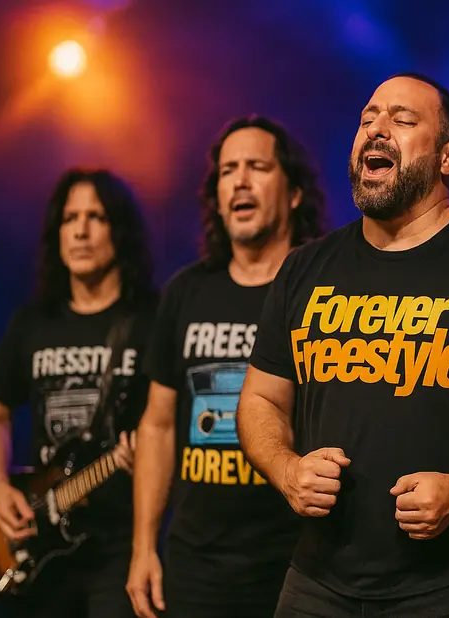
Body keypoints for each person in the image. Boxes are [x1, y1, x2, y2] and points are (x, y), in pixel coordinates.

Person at [236, 72, 449, 618]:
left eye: (402, 120)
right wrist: (286, 470)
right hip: (320, 580)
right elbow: (260, 400)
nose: (376, 129)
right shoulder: (304, 268)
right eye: (368, 118)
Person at [125, 115, 326, 618]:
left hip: (300, 561)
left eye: (257, 167)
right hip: (196, 564)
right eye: (227, 170)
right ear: (215, 197)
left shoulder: (325, 292)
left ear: (295, 192)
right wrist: (143, 546)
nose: (239, 180)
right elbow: (158, 424)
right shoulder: (184, 292)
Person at [0, 168, 157, 618]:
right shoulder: (33, 324)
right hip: (43, 537)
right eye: (69, 218)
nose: (80, 229)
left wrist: (148, 453)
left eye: (96, 217)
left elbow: (170, 418)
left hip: (119, 543)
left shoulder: (151, 319)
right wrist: (0, 489)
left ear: (120, 231)